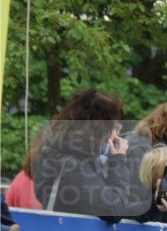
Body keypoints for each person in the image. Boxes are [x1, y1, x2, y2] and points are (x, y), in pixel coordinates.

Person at [32, 89, 147, 217]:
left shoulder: (65, 156)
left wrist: (152, 207)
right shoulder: (72, 166)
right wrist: (118, 159)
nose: (115, 135)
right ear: (99, 130)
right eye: (114, 128)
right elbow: (114, 210)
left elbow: (111, 209)